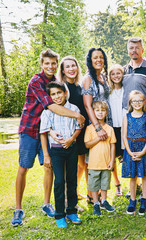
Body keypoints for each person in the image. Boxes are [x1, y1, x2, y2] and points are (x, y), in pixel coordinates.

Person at [12, 49, 85, 227]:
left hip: (48, 132)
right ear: (41, 64)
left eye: (53, 63)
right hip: (30, 129)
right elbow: (51, 106)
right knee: (24, 167)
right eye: (47, 63)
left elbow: (61, 103)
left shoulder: (56, 83)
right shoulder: (36, 81)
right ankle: (18, 208)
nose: (50, 66)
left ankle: (46, 204)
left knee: (49, 166)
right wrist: (77, 116)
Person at [40, 82, 82, 228]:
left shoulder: (74, 109)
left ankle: (71, 211)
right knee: (59, 182)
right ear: (50, 96)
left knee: (72, 180)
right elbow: (43, 133)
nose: (57, 96)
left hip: (71, 148)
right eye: (53, 94)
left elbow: (78, 127)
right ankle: (59, 214)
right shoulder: (47, 111)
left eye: (59, 93)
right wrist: (46, 155)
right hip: (56, 151)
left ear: (65, 93)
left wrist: (71, 139)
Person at [122, 37, 146, 198]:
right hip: (129, 116)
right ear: (128, 50)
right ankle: (136, 186)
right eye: (131, 48)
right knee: (131, 150)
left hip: (145, 116)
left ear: (142, 49)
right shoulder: (124, 69)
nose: (134, 51)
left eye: (137, 48)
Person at [56, 56, 89, 210]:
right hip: (69, 130)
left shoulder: (78, 85)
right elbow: (59, 109)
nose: (71, 69)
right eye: (67, 67)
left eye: (73, 66)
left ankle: (75, 192)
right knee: (70, 167)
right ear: (63, 70)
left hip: (81, 129)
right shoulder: (62, 87)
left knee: (82, 164)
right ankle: (70, 201)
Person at [82, 48, 114, 203]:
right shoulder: (88, 78)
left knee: (104, 156)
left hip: (106, 121)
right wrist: (97, 127)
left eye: (101, 57)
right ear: (90, 59)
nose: (99, 60)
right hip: (95, 123)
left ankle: (103, 195)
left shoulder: (102, 76)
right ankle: (91, 194)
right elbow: (88, 105)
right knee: (93, 159)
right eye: (95, 57)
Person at [122, 90, 146, 215]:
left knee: (145, 175)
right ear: (130, 102)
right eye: (134, 101)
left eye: (140, 101)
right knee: (132, 176)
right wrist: (130, 153)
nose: (137, 103)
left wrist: (142, 152)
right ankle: (132, 200)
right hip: (130, 148)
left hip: (143, 148)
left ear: (143, 102)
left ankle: (144, 199)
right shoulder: (127, 117)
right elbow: (124, 137)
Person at [84, 101, 116, 216]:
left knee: (105, 183)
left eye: (103, 110)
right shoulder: (89, 128)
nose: (100, 113)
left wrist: (112, 161)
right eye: (97, 110)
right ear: (93, 112)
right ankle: (96, 203)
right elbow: (87, 144)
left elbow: (113, 145)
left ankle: (104, 201)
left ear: (106, 112)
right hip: (93, 163)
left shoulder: (109, 129)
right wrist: (98, 138)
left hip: (106, 162)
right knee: (93, 184)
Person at [108, 64, 125, 196]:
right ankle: (117, 183)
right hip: (113, 127)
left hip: (125, 126)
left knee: (126, 156)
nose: (116, 76)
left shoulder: (126, 89)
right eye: (113, 74)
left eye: (118, 73)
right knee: (112, 156)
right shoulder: (108, 91)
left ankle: (135, 184)